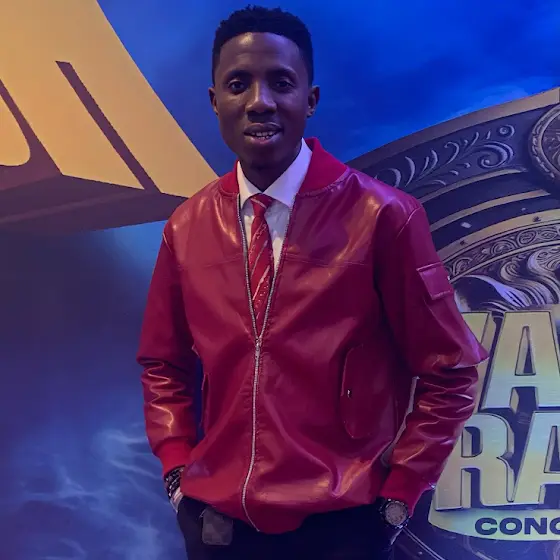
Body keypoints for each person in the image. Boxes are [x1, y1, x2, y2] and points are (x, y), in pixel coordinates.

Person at [137, 5, 488, 559]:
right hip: (219, 527)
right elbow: (163, 364)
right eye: (238, 84)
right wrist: (178, 470)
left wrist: (399, 493)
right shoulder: (187, 226)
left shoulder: (383, 218)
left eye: (281, 83)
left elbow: (451, 370)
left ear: (310, 99)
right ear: (214, 101)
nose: (260, 101)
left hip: (342, 527)